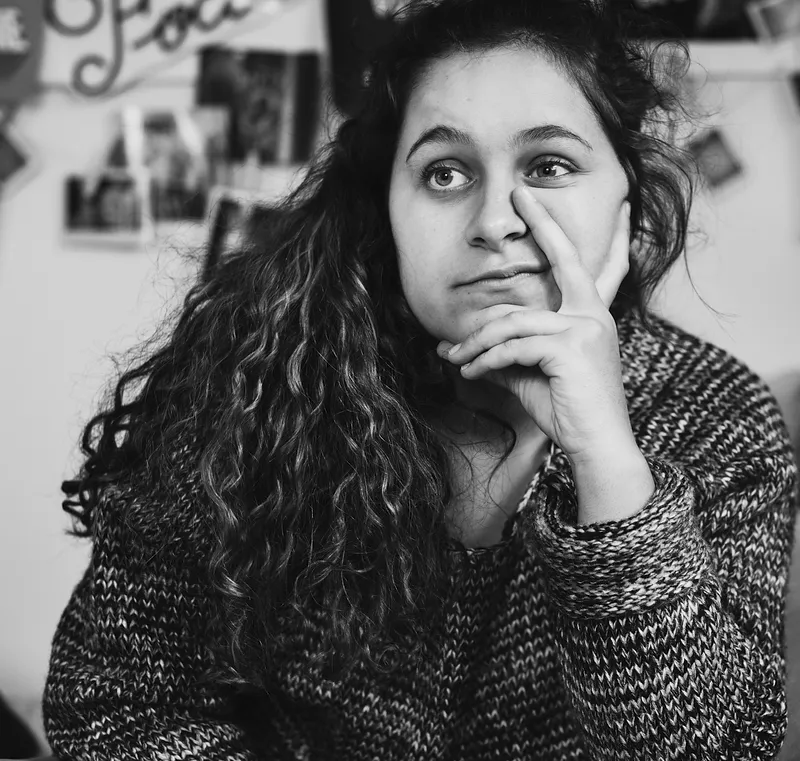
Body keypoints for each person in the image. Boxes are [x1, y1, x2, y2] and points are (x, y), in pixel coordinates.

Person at [43, 0, 799, 758]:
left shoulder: (717, 413)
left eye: (549, 166)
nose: (496, 220)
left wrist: (607, 461)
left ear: (624, 202)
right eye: (445, 173)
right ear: (388, 212)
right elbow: (109, 705)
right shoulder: (257, 383)